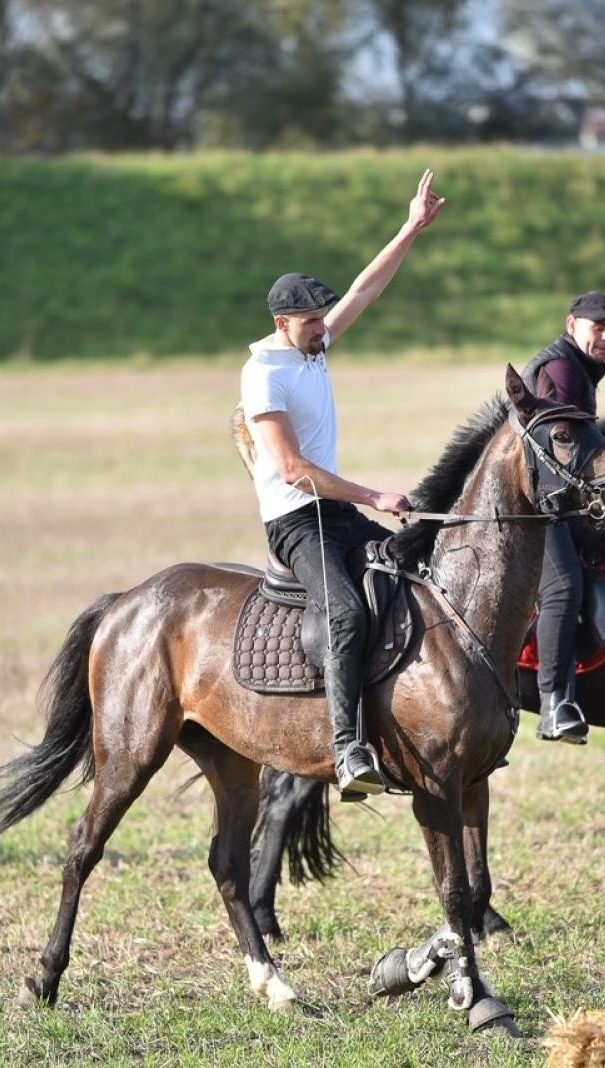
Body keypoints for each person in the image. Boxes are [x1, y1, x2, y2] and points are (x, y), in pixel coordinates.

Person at [240, 169, 447, 801]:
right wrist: (375, 496)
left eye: (320, 319)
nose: (322, 326)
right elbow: (293, 469)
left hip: (335, 514)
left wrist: (411, 227)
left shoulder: (311, 347)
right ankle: (347, 746)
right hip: (298, 520)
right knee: (347, 612)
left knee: (415, 572)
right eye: (309, 320)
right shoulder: (263, 375)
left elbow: (366, 288)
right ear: (282, 322)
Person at [518, 291, 605, 745]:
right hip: (534, 507)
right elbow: (562, 448)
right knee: (562, 588)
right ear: (570, 325)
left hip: (555, 500)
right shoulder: (561, 371)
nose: (604, 337)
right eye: (596, 327)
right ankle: (554, 703)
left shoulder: (578, 369)